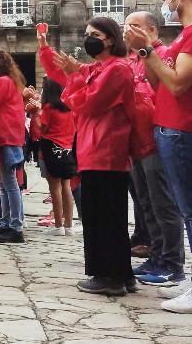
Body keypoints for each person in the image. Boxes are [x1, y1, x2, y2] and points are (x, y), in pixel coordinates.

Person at [126, 0, 192, 314]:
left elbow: (180, 83)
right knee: (187, 209)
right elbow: (159, 80)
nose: (163, 3)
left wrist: (147, 49)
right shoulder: (186, 34)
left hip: (184, 129)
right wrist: (148, 52)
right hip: (170, 127)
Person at [45, 17, 137, 295]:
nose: (89, 38)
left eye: (94, 34)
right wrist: (53, 56)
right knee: (103, 214)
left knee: (103, 215)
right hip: (94, 147)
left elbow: (89, 103)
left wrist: (74, 77)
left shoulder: (117, 69)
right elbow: (69, 73)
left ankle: (109, 275)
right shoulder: (101, 68)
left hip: (106, 148)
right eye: (87, 33)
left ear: (110, 38)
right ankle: (121, 273)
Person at [121, 11, 187, 289]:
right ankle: (155, 254)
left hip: (156, 138)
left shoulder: (163, 54)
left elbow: (161, 89)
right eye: (126, 27)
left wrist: (145, 49)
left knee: (164, 204)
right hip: (137, 142)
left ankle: (172, 263)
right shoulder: (132, 60)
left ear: (151, 29)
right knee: (146, 204)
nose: (129, 31)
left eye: (135, 26)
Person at [0, 50, 27, 244]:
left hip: (5, 136)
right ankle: (6, 222)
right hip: (7, 135)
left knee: (9, 183)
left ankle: (15, 225)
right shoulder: (9, 81)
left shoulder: (3, 82)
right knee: (4, 183)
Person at [29, 74, 76, 235]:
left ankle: (58, 225)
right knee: (67, 186)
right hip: (67, 148)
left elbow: (42, 128)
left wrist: (35, 115)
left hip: (51, 147)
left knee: (54, 188)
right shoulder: (69, 107)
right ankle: (69, 225)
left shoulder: (49, 108)